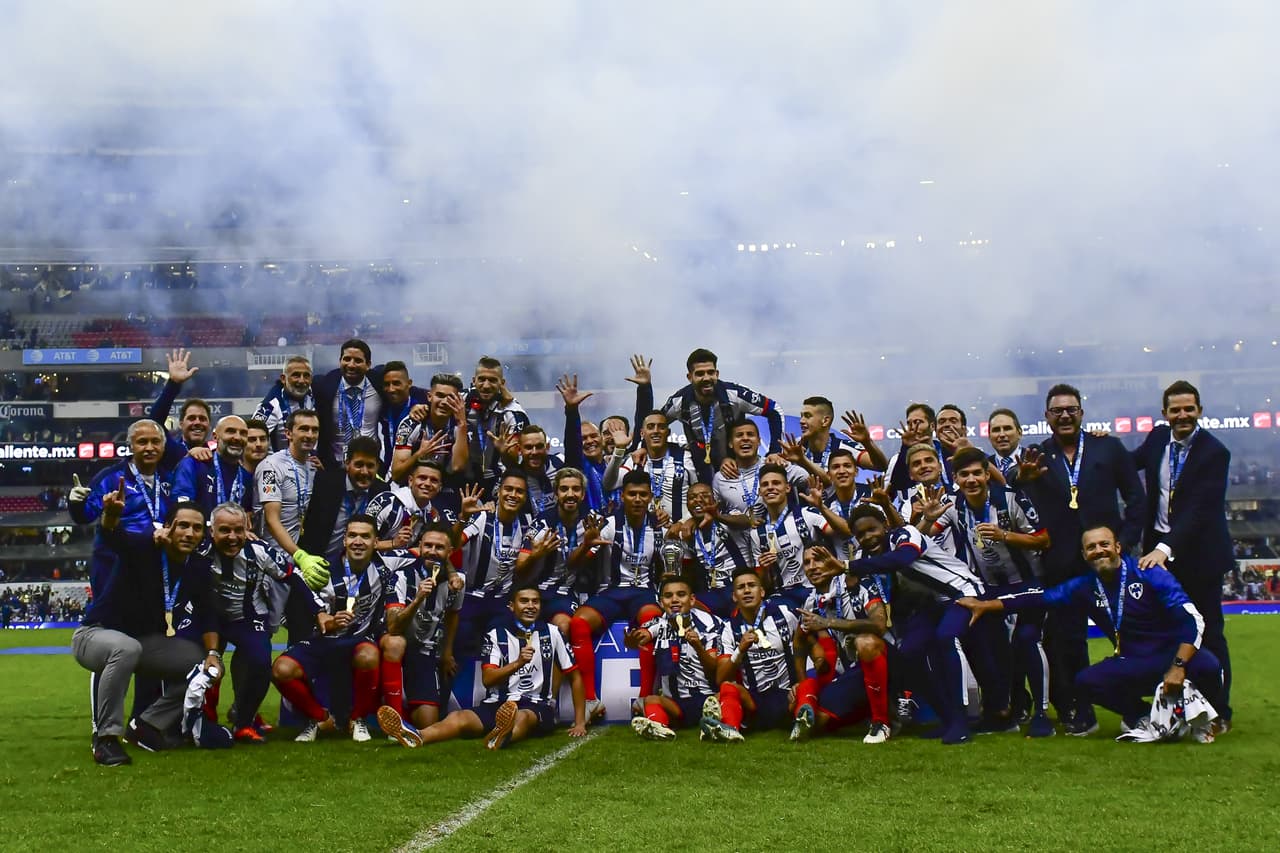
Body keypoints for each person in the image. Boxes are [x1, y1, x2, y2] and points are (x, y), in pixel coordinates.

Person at [958, 525, 1222, 737]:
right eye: (1091, 547)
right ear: (1084, 555)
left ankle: (1213, 716)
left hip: (1171, 655)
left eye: (1104, 544)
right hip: (1132, 660)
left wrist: (1178, 666)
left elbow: (1192, 620)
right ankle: (1144, 715)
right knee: (1087, 682)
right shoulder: (1084, 585)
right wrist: (988, 605)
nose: (1099, 551)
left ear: (1117, 547)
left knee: (1210, 666)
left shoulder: (1149, 573)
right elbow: (1040, 598)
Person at [1013, 383, 1146, 735]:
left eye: (1071, 409)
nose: (1065, 415)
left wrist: (1125, 544)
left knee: (1129, 636)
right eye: (1057, 411)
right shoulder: (1036, 456)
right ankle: (1078, 710)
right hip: (1061, 564)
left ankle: (1137, 709)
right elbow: (1015, 493)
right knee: (1066, 643)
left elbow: (1136, 499)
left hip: (1108, 563)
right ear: (1046, 417)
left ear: (1082, 413)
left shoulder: (1108, 447)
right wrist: (1021, 480)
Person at [72, 496, 220, 765]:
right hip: (95, 634)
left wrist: (213, 653)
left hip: (142, 644)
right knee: (125, 648)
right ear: (167, 527)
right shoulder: (144, 547)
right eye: (182, 525)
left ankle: (147, 726)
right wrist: (110, 515)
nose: (189, 533)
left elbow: (208, 613)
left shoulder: (197, 567)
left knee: (200, 665)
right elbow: (111, 536)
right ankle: (105, 739)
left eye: (197, 528)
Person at [842, 503, 993, 745]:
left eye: (872, 529)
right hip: (933, 604)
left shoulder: (905, 534)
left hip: (963, 592)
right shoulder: (871, 558)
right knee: (910, 653)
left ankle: (961, 719)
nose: (868, 537)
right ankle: (946, 719)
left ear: (886, 526)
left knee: (947, 637)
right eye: (861, 534)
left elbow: (905, 557)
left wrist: (849, 566)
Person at [1131, 379, 1234, 728]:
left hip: (1199, 558)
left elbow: (1199, 511)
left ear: (1200, 411)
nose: (1182, 415)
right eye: (1175, 409)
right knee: (1167, 633)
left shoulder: (1214, 452)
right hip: (1158, 555)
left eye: (1189, 408)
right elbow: (1130, 464)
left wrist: (1164, 548)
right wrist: (1106, 446)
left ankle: (1220, 711)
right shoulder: (1158, 437)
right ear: (1164, 414)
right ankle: (1176, 707)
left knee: (1209, 634)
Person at [398, 586, 588, 750]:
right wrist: (518, 664)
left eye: (535, 602)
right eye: (524, 601)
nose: (530, 606)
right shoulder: (496, 635)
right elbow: (488, 679)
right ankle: (418, 736)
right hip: (497, 704)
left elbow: (574, 676)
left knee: (522, 717)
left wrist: (579, 722)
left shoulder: (552, 633)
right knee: (459, 717)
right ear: (511, 606)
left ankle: (503, 737)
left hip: (536, 705)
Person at [950, 446, 1055, 737]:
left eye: (976, 473)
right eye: (964, 475)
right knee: (988, 644)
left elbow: (1044, 539)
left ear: (987, 474)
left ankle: (1042, 715)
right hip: (993, 590)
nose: (971, 480)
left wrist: (1005, 535)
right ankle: (1004, 711)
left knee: (1026, 639)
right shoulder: (955, 505)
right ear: (956, 478)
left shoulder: (1010, 499)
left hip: (1028, 585)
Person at [271, 515, 401, 743]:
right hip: (323, 641)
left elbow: (427, 554)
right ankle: (320, 718)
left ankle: (357, 719)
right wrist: (325, 618)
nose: (358, 541)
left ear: (375, 541)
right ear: (344, 540)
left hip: (358, 641)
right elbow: (298, 584)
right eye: (352, 535)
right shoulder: (322, 569)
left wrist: (450, 574)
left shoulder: (387, 565)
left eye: (365, 536)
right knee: (281, 669)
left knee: (369, 655)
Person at [203, 502, 311, 744]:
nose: (232, 537)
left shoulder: (259, 551)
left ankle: (243, 720)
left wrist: (319, 611)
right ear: (212, 531)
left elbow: (292, 576)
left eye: (238, 530)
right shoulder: (199, 550)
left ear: (246, 529)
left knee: (260, 662)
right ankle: (205, 723)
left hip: (248, 618)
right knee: (205, 667)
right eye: (225, 531)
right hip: (211, 619)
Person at [568, 470, 667, 717]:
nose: (637, 499)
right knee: (579, 624)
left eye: (642, 495)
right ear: (622, 496)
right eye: (632, 494)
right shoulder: (609, 525)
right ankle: (591, 701)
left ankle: (644, 698)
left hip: (643, 593)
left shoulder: (659, 528)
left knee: (652, 624)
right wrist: (587, 546)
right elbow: (578, 563)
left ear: (650, 497)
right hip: (610, 593)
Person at [790, 545, 892, 743]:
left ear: (832, 560)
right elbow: (800, 639)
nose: (812, 567)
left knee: (865, 642)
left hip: (887, 663)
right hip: (853, 675)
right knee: (813, 714)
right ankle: (865, 714)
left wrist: (828, 623)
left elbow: (879, 625)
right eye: (807, 562)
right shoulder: (812, 602)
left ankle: (882, 722)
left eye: (818, 559)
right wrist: (801, 683)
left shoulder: (859, 584)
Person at [706, 566, 802, 742]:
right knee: (728, 687)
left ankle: (803, 723)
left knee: (808, 686)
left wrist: (800, 683)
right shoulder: (729, 629)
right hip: (755, 702)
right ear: (734, 596)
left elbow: (805, 648)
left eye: (752, 585)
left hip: (788, 697)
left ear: (762, 591)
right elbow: (720, 678)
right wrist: (740, 650)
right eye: (741, 587)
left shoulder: (785, 615)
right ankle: (730, 730)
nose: (747, 590)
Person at [453, 470, 544, 656]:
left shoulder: (528, 523)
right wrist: (462, 518)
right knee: (463, 636)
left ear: (525, 496)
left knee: (510, 643)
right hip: (472, 596)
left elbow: (523, 568)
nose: (513, 495)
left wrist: (535, 556)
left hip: (502, 601)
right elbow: (452, 546)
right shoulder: (482, 517)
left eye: (519, 491)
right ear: (499, 491)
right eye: (508, 489)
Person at [660, 348, 784, 482]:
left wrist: (775, 451)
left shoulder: (734, 393)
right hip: (698, 471)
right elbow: (653, 423)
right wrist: (643, 447)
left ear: (717, 373)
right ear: (690, 377)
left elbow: (774, 410)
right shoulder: (679, 401)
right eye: (700, 374)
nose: (706, 378)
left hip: (736, 469)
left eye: (710, 372)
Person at [628, 574, 724, 740]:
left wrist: (698, 647)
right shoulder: (659, 623)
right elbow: (640, 635)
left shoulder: (710, 624)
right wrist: (630, 641)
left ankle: (714, 723)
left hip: (708, 699)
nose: (674, 600)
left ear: (692, 600)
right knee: (651, 700)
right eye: (668, 596)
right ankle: (659, 728)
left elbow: (714, 669)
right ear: (660, 602)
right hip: (676, 704)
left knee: (728, 693)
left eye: (681, 595)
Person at [296, 435, 389, 567]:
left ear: (377, 466)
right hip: (317, 563)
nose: (364, 472)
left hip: (359, 568)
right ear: (347, 463)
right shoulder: (324, 483)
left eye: (370, 466)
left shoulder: (382, 492)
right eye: (359, 465)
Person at [667, 481, 750, 616]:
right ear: (687, 505)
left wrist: (718, 517)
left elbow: (745, 522)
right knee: (683, 608)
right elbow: (688, 571)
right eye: (692, 497)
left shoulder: (728, 517)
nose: (698, 500)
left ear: (714, 499)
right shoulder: (688, 533)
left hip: (739, 588)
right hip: (712, 593)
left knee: (742, 616)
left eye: (704, 495)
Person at [605, 410, 699, 523]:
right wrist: (619, 449)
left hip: (679, 532)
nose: (656, 431)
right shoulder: (635, 460)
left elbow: (699, 495)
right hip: (647, 535)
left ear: (668, 432)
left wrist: (684, 522)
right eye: (650, 427)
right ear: (642, 433)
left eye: (661, 427)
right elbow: (609, 484)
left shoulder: (685, 458)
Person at [312, 338, 387, 469]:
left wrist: (419, 404)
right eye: (346, 359)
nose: (351, 365)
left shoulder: (378, 382)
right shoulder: (325, 384)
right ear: (340, 361)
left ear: (368, 364)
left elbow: (404, 388)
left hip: (369, 465)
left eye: (358, 360)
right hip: (333, 465)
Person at [256, 409, 320, 557]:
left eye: (314, 430)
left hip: (301, 553)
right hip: (272, 556)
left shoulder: (314, 466)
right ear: (288, 434)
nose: (310, 435)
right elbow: (272, 520)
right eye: (304, 429)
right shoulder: (270, 467)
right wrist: (299, 555)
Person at [462, 356, 530, 488]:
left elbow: (516, 463)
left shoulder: (514, 413)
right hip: (461, 478)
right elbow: (434, 394)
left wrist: (505, 453)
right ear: (473, 381)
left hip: (497, 482)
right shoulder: (461, 399)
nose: (486, 386)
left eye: (493, 380)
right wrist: (419, 408)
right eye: (481, 379)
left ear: (502, 383)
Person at [391, 373, 469, 484]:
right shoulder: (411, 423)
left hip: (440, 486)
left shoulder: (460, 424)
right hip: (408, 485)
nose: (444, 402)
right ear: (429, 396)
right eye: (440, 395)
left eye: (451, 397)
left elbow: (457, 467)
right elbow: (396, 475)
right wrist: (420, 454)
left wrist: (462, 424)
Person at [367, 459, 458, 552]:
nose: (427, 483)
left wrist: (464, 516)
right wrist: (393, 543)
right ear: (410, 481)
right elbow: (361, 543)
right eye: (422, 478)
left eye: (434, 480)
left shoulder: (432, 515)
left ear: (440, 487)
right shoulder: (386, 502)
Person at [171, 415, 252, 516]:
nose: (237, 437)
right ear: (215, 436)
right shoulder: (194, 464)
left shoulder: (247, 478)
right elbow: (182, 509)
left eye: (243, 433)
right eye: (230, 431)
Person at [147, 348, 212, 473]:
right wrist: (173, 384)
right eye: (191, 418)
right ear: (181, 424)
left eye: (202, 419)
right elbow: (155, 421)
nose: (197, 422)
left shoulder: (216, 458)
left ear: (209, 425)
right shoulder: (170, 450)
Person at [798, 397, 887, 477]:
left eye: (807, 416)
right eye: (801, 416)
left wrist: (867, 443)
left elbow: (881, 466)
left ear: (825, 421)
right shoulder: (793, 448)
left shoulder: (845, 448)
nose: (801, 421)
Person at [252, 355, 315, 451]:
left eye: (306, 376)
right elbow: (251, 437)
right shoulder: (270, 406)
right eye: (296, 375)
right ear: (283, 379)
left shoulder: (314, 394)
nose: (302, 380)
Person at [986, 408, 1024, 478]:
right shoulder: (984, 467)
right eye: (996, 430)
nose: (1002, 434)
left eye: (1007, 428)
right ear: (989, 436)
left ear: (1019, 433)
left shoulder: (1034, 461)